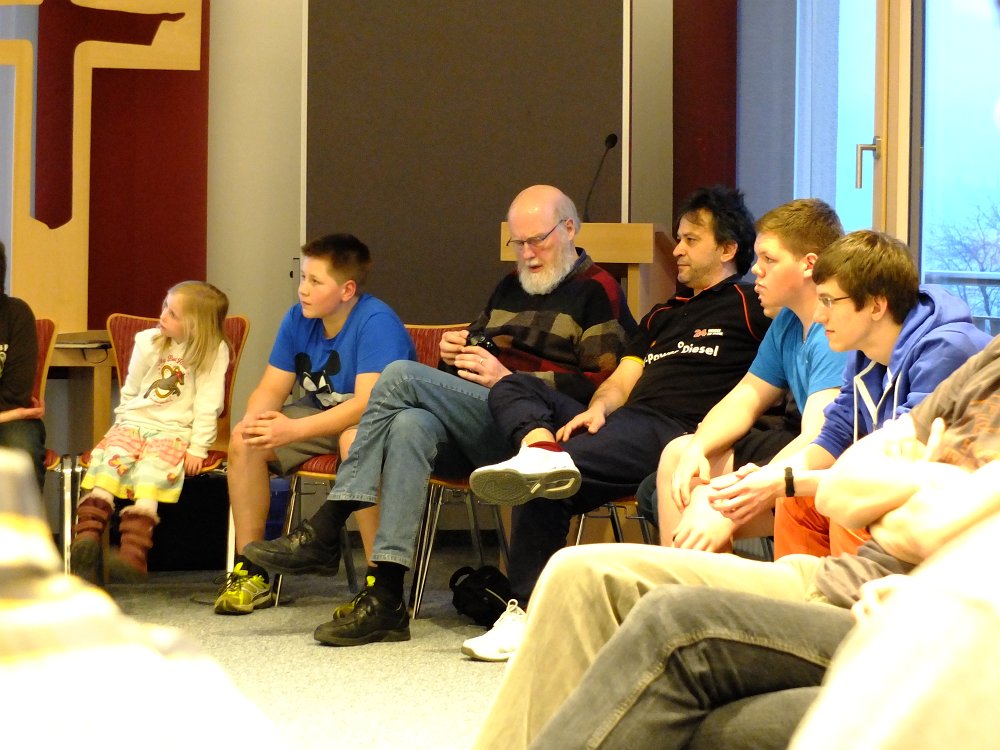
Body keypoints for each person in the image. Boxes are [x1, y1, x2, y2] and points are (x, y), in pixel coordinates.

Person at [472, 331, 1000, 749]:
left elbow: (923, 528)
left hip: (894, 615)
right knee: (580, 573)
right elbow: (840, 487)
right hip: (827, 576)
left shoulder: (947, 346)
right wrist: (932, 481)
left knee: (672, 629)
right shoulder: (986, 365)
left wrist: (909, 476)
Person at [242, 184, 637, 644]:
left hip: (545, 432)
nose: (527, 254)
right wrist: (455, 355)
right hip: (489, 418)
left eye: (537, 241)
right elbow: (472, 362)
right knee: (409, 424)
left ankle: (329, 523)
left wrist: (508, 377)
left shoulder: (597, 290)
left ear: (569, 229)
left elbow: (600, 388)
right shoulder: (510, 287)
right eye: (518, 242)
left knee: (399, 375)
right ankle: (387, 595)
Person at [464, 185, 771, 660]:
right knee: (515, 387)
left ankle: (528, 612)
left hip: (677, 432)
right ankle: (539, 449)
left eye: (691, 240)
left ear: (728, 249)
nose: (678, 249)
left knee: (543, 480)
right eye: (678, 238)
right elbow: (623, 379)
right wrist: (599, 407)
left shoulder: (751, 305)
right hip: (627, 421)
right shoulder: (662, 314)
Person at [698, 229, 991, 558]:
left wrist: (784, 481)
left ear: (876, 305)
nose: (819, 315)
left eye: (829, 301)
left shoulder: (947, 349)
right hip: (903, 487)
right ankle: (802, 588)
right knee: (798, 502)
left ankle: (845, 591)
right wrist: (769, 477)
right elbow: (834, 436)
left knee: (848, 513)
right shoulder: (864, 351)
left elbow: (901, 462)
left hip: (960, 504)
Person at [0, 447, 289, 749]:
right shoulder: (154, 643)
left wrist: (194, 447)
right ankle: (127, 548)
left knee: (135, 466)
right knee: (109, 462)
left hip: (166, 441)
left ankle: (90, 535)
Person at [215, 233, 415, 615]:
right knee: (245, 440)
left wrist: (292, 430)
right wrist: (256, 421)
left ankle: (380, 583)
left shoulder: (376, 322)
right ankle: (251, 570)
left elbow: (367, 406)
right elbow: (271, 387)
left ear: (347, 290)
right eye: (302, 277)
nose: (303, 290)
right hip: (321, 416)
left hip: (382, 423)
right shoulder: (297, 319)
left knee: (354, 444)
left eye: (315, 281)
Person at [652, 198, 849, 552]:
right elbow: (746, 397)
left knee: (707, 501)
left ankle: (693, 582)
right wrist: (698, 445)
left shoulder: (834, 330)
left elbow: (819, 441)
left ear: (809, 265)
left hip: (833, 468)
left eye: (769, 259)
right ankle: (681, 581)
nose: (756, 269)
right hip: (801, 450)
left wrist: (737, 498)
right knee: (680, 455)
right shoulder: (787, 320)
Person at [69, 281, 230, 584]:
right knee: (109, 463)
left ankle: (133, 553)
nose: (163, 315)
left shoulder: (212, 351)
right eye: (166, 306)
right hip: (133, 423)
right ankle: (87, 538)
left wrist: (198, 447)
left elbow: (209, 404)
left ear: (195, 326)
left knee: (150, 473)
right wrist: (120, 426)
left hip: (173, 430)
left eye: (173, 313)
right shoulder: (148, 341)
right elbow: (130, 390)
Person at [0, 240, 47, 489]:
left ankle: (20, 517)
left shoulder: (17, 314)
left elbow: (15, 394)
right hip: (8, 415)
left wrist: (11, 414)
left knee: (22, 446)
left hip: (10, 421)